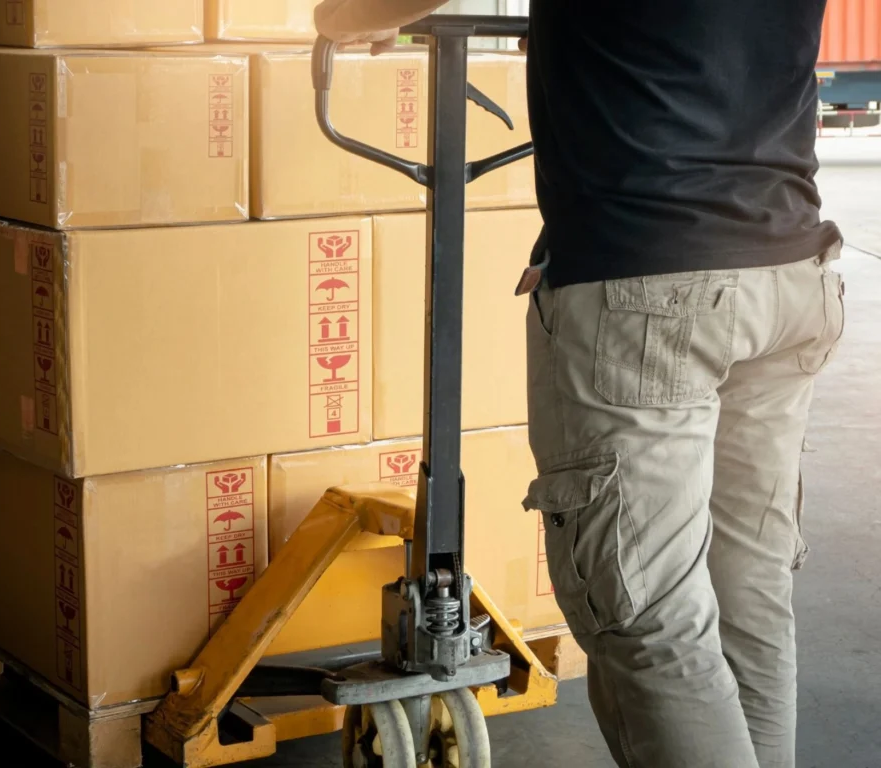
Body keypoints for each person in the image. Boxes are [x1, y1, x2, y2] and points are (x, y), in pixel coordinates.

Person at [315, 1, 844, 766]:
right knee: (746, 594)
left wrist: (341, 17)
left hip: (651, 281)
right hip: (790, 271)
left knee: (648, 614)